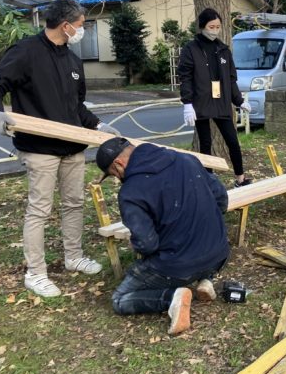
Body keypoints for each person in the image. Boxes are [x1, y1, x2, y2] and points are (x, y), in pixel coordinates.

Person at [0, 0, 120, 298]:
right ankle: (36, 273)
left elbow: (77, 106)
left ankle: (73, 257)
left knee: (74, 203)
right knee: (39, 210)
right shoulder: (26, 52)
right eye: (80, 25)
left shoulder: (72, 60)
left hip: (72, 146)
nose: (82, 30)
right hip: (39, 148)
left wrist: (98, 126)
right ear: (66, 25)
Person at [96, 137, 230, 336]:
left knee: (119, 300)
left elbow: (147, 244)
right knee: (195, 247)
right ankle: (205, 280)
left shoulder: (131, 191)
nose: (117, 178)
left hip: (178, 266)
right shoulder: (187, 160)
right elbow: (222, 201)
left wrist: (137, 243)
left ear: (118, 164)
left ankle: (173, 297)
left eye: (114, 174)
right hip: (218, 254)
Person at [178, 8, 252, 187]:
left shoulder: (223, 49)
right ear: (202, 26)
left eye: (218, 27)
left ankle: (240, 179)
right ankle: (209, 181)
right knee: (205, 143)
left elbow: (231, 79)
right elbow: (185, 77)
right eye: (211, 27)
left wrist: (239, 100)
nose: (215, 30)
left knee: (232, 140)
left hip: (221, 101)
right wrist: (187, 103)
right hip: (201, 101)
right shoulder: (191, 49)